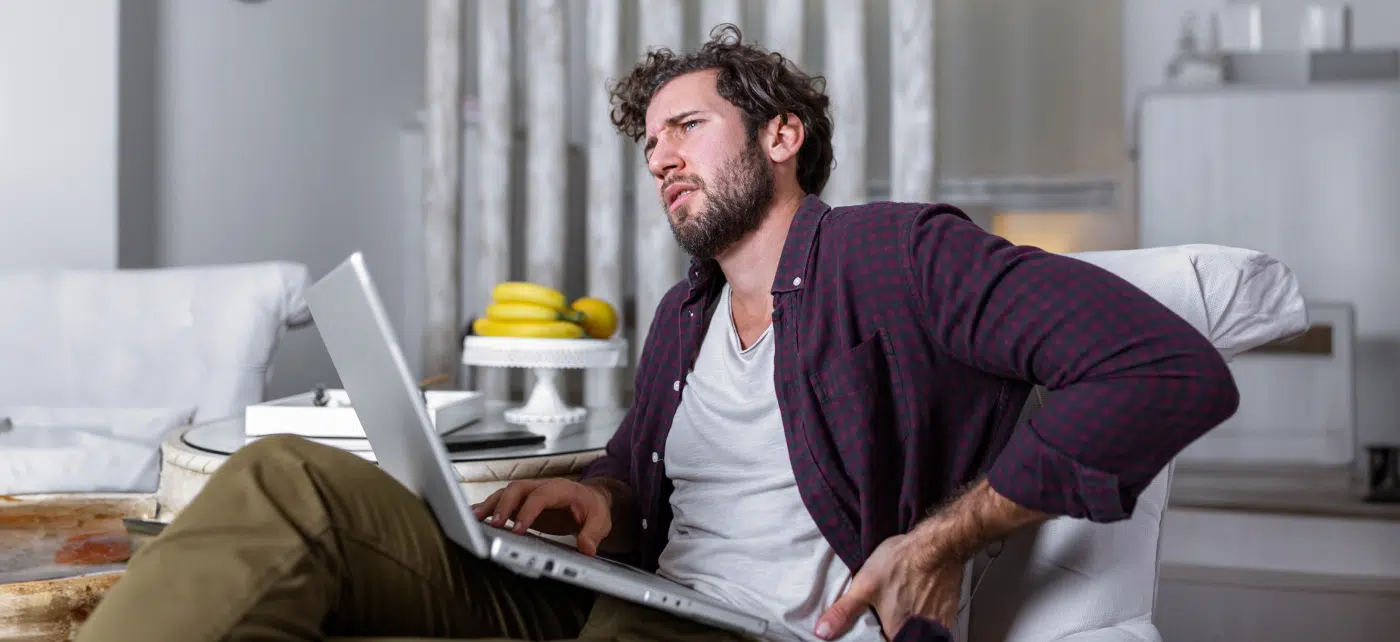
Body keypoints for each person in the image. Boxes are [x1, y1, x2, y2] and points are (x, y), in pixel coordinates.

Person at [76, 24, 1238, 642]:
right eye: (650, 148)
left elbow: (1158, 369)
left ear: (782, 137)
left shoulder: (897, 254)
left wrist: (944, 540)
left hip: (746, 635)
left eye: (688, 126)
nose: (662, 158)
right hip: (634, 597)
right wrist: (600, 498)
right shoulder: (686, 313)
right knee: (292, 481)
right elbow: (645, 474)